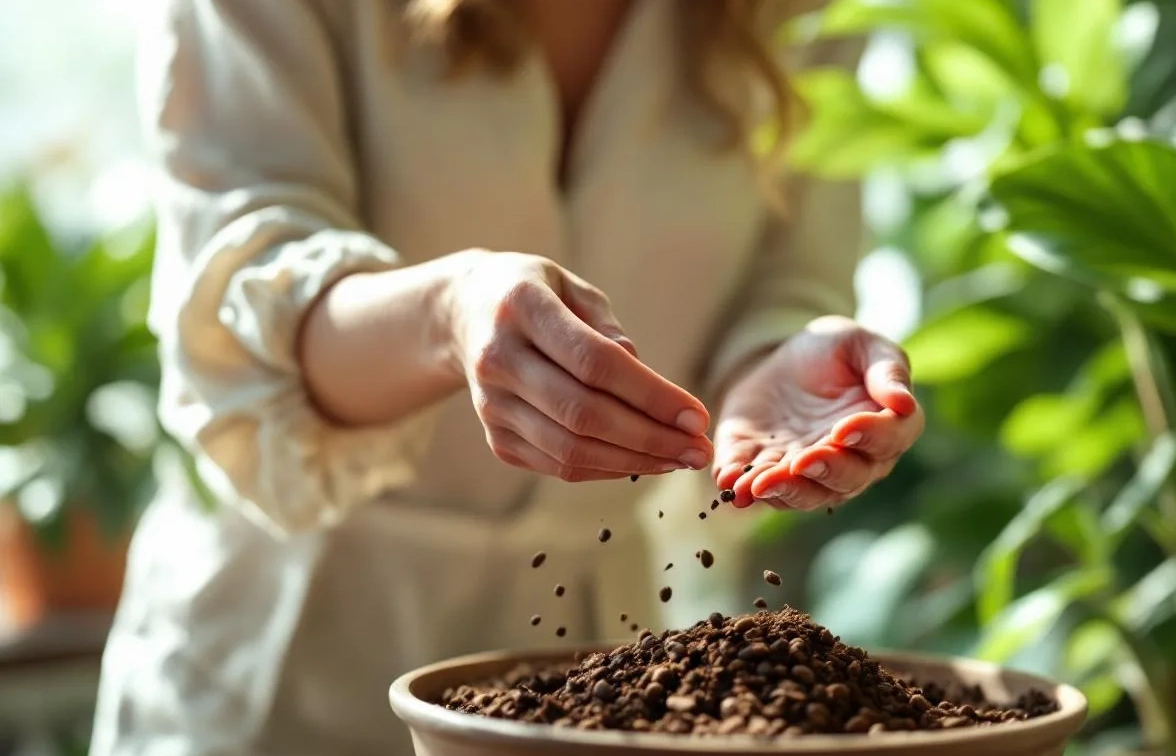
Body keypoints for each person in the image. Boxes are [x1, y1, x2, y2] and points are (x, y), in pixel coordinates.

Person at [91, 0, 925, 753]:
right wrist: (447, 314)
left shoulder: (800, 14)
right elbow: (247, 300)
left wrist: (777, 361)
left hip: (595, 670)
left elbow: (789, 278)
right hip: (282, 661)